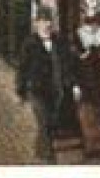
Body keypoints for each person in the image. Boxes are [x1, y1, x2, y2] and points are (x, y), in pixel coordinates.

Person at [16, 9, 79, 163]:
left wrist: (74, 84)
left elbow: (69, 65)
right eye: (42, 23)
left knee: (55, 120)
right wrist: (21, 91)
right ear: (37, 25)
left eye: (48, 22)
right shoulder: (29, 44)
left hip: (57, 88)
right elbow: (22, 70)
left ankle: (42, 148)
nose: (46, 26)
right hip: (37, 90)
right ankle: (48, 157)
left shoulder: (60, 41)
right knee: (44, 119)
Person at [73, 21, 100, 158]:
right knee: (86, 109)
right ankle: (91, 143)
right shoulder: (77, 35)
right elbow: (74, 56)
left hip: (98, 75)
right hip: (83, 75)